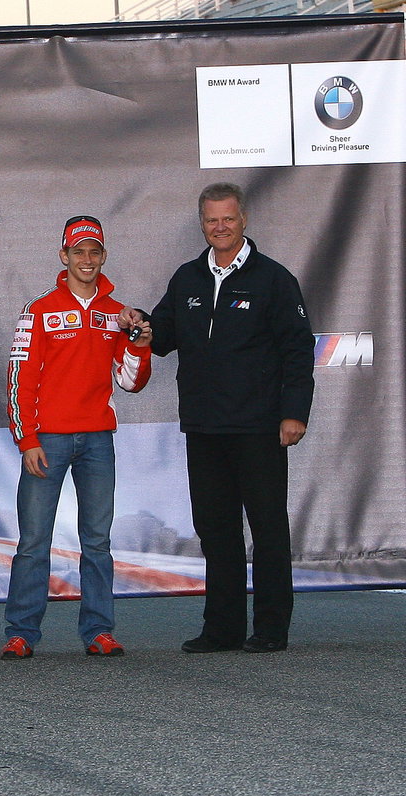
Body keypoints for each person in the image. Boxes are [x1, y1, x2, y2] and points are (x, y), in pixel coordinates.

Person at [128, 183, 314, 654]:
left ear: (244, 219)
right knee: (216, 529)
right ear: (202, 223)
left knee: (268, 527)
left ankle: (271, 629)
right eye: (212, 220)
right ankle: (222, 629)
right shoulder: (188, 277)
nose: (220, 227)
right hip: (204, 427)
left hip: (259, 426)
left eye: (227, 219)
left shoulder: (273, 278)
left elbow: (297, 350)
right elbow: (164, 333)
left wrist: (294, 413)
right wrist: (145, 327)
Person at [2, 216, 152, 660]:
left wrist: (140, 342)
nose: (86, 259)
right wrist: (26, 439)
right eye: (78, 251)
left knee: (97, 541)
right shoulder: (40, 309)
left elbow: (129, 382)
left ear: (103, 256)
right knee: (33, 541)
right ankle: (21, 632)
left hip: (97, 440)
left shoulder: (118, 312)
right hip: (46, 440)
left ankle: (99, 631)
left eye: (94, 251)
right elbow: (19, 378)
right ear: (63, 256)